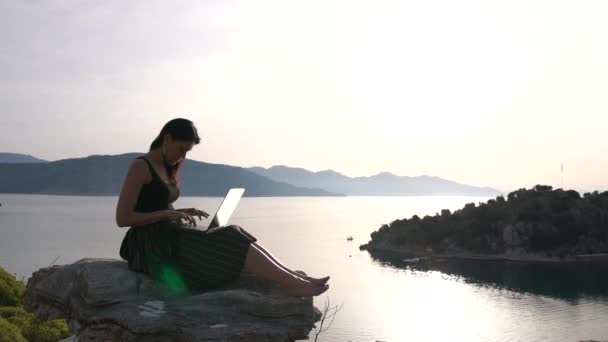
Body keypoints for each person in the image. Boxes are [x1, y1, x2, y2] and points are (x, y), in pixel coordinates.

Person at [116, 118, 329, 296]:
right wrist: (166, 213)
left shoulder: (166, 166)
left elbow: (154, 204)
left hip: (168, 233)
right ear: (167, 139)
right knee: (230, 236)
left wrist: (181, 212)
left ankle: (293, 276)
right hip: (149, 244)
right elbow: (123, 218)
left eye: (187, 151)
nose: (182, 156)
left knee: (235, 233)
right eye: (181, 149)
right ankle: (291, 283)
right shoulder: (141, 166)